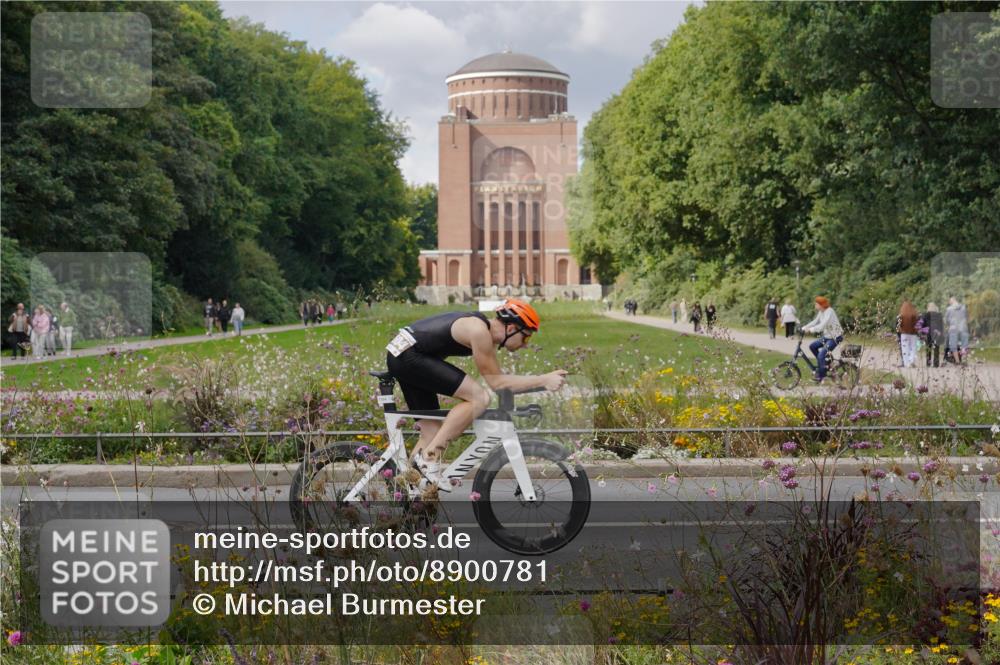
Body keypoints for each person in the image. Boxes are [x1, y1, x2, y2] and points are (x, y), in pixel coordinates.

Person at [385, 298, 566, 489]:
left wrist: (538, 384)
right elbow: (498, 384)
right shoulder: (479, 332)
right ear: (512, 328)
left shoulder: (481, 328)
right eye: (526, 337)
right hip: (409, 357)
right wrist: (543, 379)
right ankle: (430, 458)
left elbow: (502, 382)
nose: (526, 344)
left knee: (431, 432)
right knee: (479, 397)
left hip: (404, 355)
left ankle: (408, 493)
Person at [800, 296, 844, 382]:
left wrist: (811, 330)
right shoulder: (821, 312)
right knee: (813, 346)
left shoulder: (829, 311)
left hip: (835, 337)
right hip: (827, 336)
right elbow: (815, 321)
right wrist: (804, 327)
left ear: (821, 305)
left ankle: (821, 376)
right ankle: (825, 364)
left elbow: (822, 325)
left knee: (821, 355)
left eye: (816, 304)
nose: (815, 305)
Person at [945, 296, 969, 364]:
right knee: (964, 344)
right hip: (963, 328)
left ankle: (957, 361)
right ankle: (964, 360)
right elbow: (966, 317)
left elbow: (946, 320)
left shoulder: (949, 309)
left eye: (949, 301)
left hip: (953, 329)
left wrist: (949, 324)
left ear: (951, 301)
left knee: (953, 345)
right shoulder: (963, 308)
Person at [919, 302, 944, 368]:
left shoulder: (925, 315)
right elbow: (941, 325)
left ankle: (928, 363)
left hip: (928, 333)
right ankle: (936, 364)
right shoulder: (939, 315)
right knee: (936, 349)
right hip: (937, 333)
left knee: (928, 349)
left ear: (928, 307)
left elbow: (922, 325)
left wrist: (922, 333)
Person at [897, 300, 919, 368]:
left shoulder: (901, 315)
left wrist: (900, 330)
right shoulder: (914, 314)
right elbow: (917, 324)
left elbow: (898, 325)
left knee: (905, 348)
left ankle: (906, 363)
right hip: (913, 333)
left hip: (904, 333)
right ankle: (912, 360)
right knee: (913, 348)